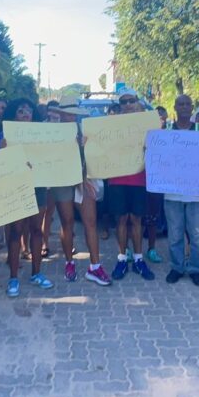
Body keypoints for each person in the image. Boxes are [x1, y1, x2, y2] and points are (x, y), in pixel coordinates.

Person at [0, 99, 53, 297]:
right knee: (15, 233)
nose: (25, 113)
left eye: (28, 110)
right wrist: (2, 149)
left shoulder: (41, 135)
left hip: (37, 186)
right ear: (14, 115)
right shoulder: (5, 137)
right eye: (20, 111)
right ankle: (13, 278)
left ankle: (36, 273)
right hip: (16, 187)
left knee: (37, 231)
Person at [53, 97, 110, 285]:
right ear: (60, 114)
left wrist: (86, 148)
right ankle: (69, 262)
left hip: (82, 181)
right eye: (67, 113)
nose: (71, 117)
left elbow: (95, 156)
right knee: (67, 222)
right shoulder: (50, 132)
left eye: (73, 114)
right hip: (61, 181)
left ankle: (95, 266)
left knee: (91, 222)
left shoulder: (83, 132)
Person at [108, 89, 155, 281]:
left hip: (138, 177)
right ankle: (121, 259)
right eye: (123, 102)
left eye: (131, 101)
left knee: (136, 219)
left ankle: (138, 259)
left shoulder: (147, 124)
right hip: (117, 177)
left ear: (137, 102)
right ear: (119, 106)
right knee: (121, 220)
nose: (127, 104)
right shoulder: (110, 125)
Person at [164, 95, 199, 286]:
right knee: (175, 233)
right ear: (174, 107)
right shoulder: (165, 131)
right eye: (180, 104)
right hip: (172, 191)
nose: (183, 107)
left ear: (192, 108)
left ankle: (195, 269)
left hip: (197, 192)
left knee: (198, 235)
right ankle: (177, 267)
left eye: (187, 104)